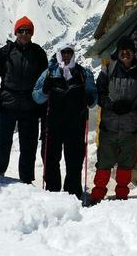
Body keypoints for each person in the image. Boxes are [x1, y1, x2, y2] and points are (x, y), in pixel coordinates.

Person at [0, 16, 48, 184]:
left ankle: (26, 179)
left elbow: (45, 80)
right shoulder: (6, 51)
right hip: (8, 103)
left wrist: (43, 103)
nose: (24, 34)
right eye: (21, 31)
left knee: (28, 145)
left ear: (32, 34)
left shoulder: (38, 53)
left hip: (30, 105)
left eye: (28, 31)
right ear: (16, 32)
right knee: (2, 142)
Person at [88, 36, 137, 205]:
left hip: (130, 126)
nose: (125, 54)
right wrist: (110, 105)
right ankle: (97, 194)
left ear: (133, 53)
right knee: (104, 163)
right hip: (109, 125)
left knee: (126, 164)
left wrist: (133, 105)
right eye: (122, 51)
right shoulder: (109, 68)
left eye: (128, 51)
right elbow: (99, 91)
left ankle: (122, 195)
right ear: (118, 52)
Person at [32, 44, 96, 199]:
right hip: (54, 124)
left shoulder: (83, 73)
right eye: (64, 53)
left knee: (74, 160)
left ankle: (72, 193)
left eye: (69, 52)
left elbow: (93, 99)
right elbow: (36, 97)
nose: (66, 56)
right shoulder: (49, 73)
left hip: (75, 124)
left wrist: (90, 97)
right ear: (59, 54)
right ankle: (52, 192)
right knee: (51, 160)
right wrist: (44, 90)